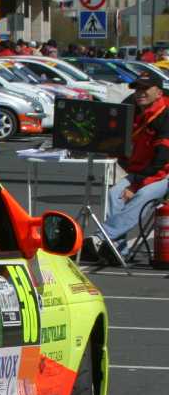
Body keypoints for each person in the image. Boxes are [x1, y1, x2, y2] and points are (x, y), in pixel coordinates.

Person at [82, 71, 169, 261]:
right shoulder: (133, 107)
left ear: (159, 92)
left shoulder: (166, 115)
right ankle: (119, 251)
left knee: (142, 197)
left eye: (146, 89)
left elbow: (162, 159)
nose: (140, 93)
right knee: (115, 194)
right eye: (137, 88)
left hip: (163, 173)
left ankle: (100, 237)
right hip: (142, 171)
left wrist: (135, 184)